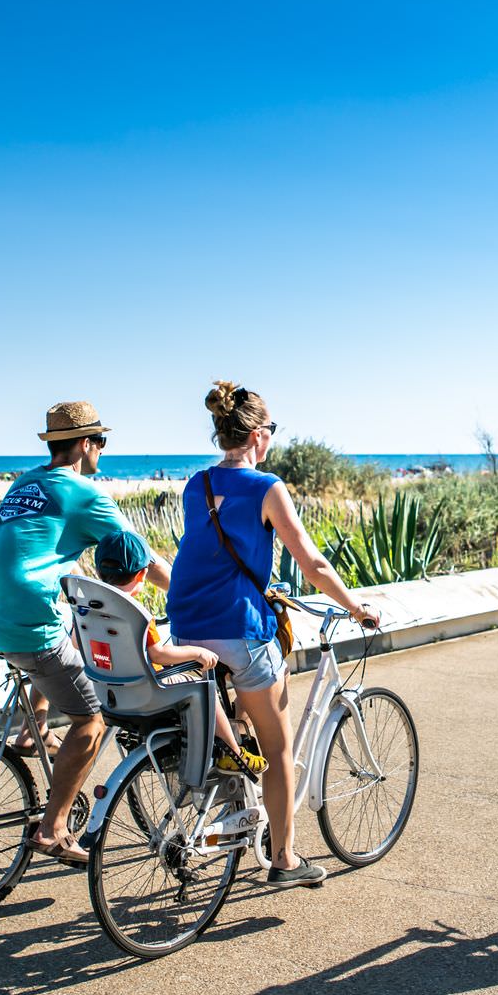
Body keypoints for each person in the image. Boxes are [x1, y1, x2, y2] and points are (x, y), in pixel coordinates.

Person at [166, 381, 380, 889]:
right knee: (280, 751)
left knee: (244, 708)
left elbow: (208, 555)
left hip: (188, 625)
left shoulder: (195, 485)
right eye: (272, 431)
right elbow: (312, 560)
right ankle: (283, 860)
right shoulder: (267, 487)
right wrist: (355, 606)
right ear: (259, 435)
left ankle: (234, 779)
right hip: (239, 628)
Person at [0, 400, 170, 867]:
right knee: (91, 719)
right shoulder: (85, 493)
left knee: (63, 638)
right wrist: (186, 594)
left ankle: (30, 735)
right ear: (84, 444)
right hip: (22, 618)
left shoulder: (25, 482)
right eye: (101, 441)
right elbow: (139, 557)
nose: (102, 451)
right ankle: (52, 829)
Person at [91, 529, 258, 771]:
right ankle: (233, 751)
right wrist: (196, 653)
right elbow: (159, 654)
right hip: (149, 691)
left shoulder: (91, 610)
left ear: (98, 571)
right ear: (142, 574)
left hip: (110, 692)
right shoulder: (136, 614)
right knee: (202, 684)